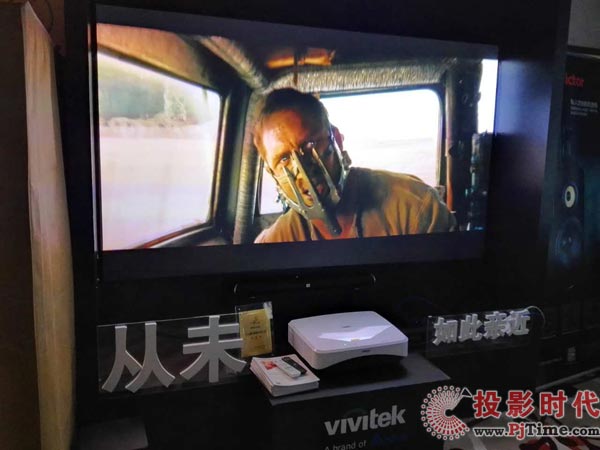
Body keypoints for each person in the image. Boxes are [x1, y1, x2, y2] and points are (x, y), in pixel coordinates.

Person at [253, 88, 455, 243]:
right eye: (284, 159)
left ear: (337, 139)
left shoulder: (416, 209)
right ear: (272, 173)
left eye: (310, 144)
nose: (303, 169)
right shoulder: (274, 243)